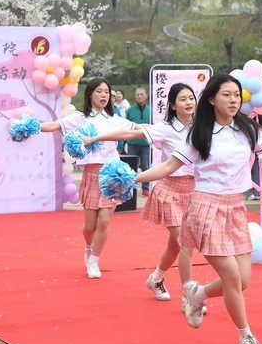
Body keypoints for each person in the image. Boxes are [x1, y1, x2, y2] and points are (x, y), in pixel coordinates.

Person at [133, 74, 262, 344]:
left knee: (243, 281)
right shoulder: (199, 133)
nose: (233, 100)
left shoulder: (248, 129)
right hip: (205, 208)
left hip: (236, 208)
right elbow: (168, 166)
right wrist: (135, 178)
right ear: (212, 99)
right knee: (232, 277)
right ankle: (245, 336)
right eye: (226, 95)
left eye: (236, 94)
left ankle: (197, 294)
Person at [82, 83, 202, 311]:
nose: (189, 103)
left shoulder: (202, 127)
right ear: (173, 105)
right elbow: (128, 133)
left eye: (191, 98)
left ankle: (156, 279)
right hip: (169, 190)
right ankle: (190, 297)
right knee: (185, 243)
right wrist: (95, 138)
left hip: (193, 192)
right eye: (183, 99)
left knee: (176, 246)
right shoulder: (165, 128)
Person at [39, 78, 140, 279]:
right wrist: (32, 126)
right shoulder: (80, 118)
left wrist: (166, 128)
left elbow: (138, 128)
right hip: (92, 174)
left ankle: (94, 260)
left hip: (112, 174)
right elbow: (54, 125)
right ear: (90, 94)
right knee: (90, 227)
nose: (104, 95)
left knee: (104, 221)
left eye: (107, 92)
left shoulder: (115, 119)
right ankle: (88, 245)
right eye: (99, 91)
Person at [126, 87, 152, 196]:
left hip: (146, 144)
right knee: (131, 167)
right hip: (132, 144)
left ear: (146, 96)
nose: (140, 96)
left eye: (142, 94)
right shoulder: (130, 110)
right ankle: (131, 188)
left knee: (146, 167)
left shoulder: (151, 111)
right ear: (135, 96)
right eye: (138, 94)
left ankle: (146, 188)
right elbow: (126, 127)